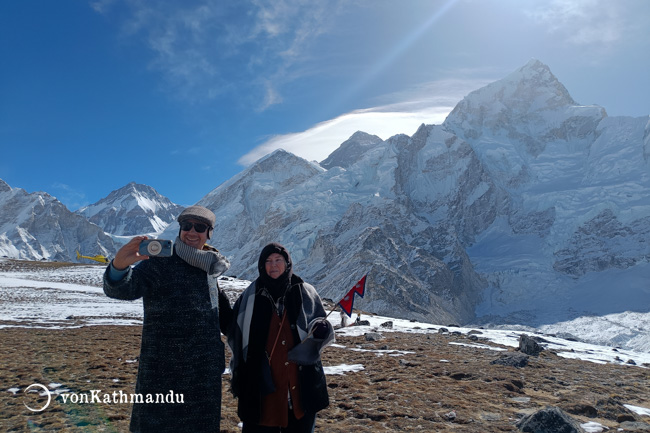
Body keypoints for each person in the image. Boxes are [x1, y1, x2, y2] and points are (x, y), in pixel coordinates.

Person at [103, 205, 232, 433]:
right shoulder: (160, 261)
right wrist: (119, 267)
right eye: (186, 226)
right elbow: (125, 289)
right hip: (164, 375)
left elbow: (221, 315)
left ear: (209, 233)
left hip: (203, 378)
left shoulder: (210, 265)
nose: (192, 232)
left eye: (199, 227)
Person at [227, 242, 334, 433]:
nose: (273, 265)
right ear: (261, 265)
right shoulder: (249, 296)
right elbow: (234, 331)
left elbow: (318, 321)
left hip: (301, 386)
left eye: (278, 260)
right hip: (259, 389)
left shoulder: (305, 292)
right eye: (268, 261)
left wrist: (321, 330)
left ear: (288, 263)